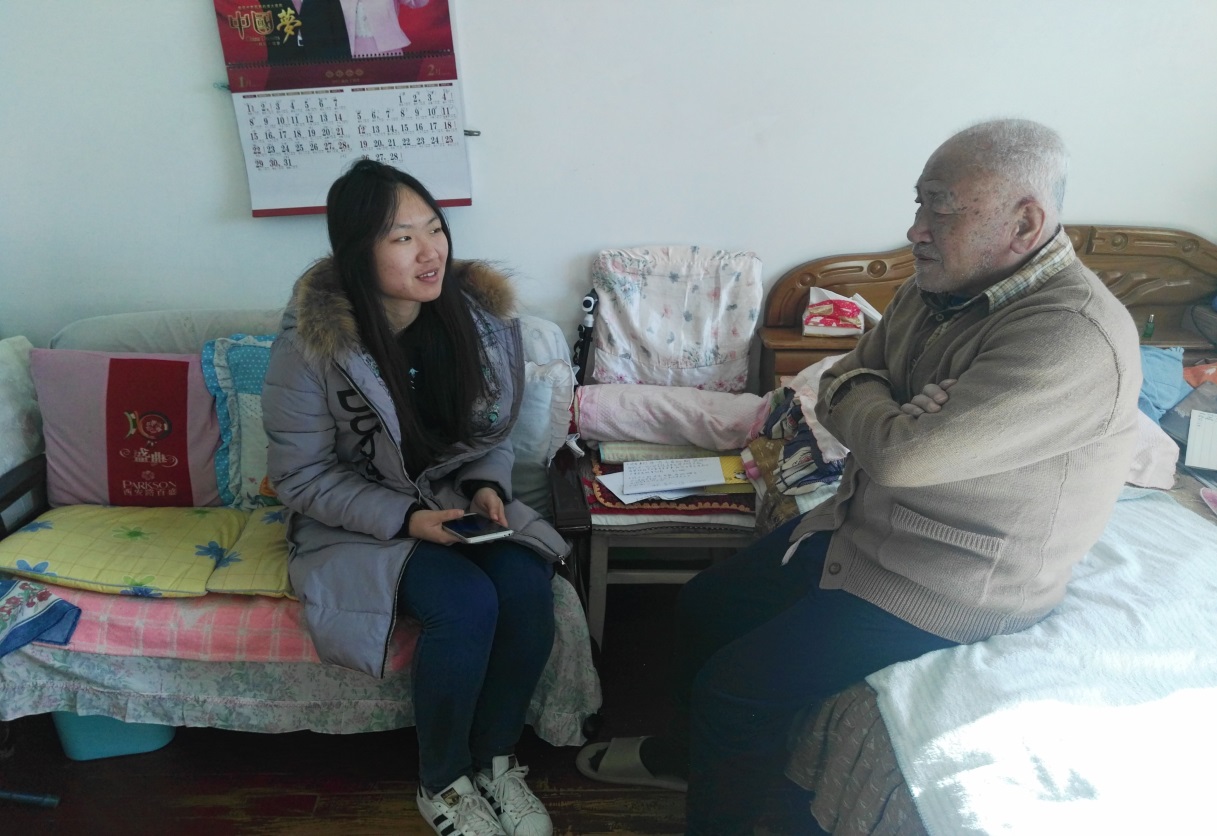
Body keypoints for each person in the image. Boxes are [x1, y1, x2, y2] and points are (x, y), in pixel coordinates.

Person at [575, 118, 1142, 834]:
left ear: (1023, 223)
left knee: (734, 690)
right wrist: (890, 408)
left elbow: (902, 457)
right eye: (919, 203)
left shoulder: (1071, 335)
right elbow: (839, 380)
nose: (915, 230)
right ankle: (691, 758)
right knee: (704, 604)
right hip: (863, 530)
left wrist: (889, 416)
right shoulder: (936, 288)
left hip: (948, 580)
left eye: (940, 208)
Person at [262, 158, 570, 836]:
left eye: (434, 228)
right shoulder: (311, 347)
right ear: (358, 253)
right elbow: (301, 478)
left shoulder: (474, 322)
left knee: (525, 582)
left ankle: (495, 761)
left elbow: (488, 431)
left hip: (451, 502)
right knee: (463, 601)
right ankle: (443, 782)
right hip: (353, 519)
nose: (431, 251)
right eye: (403, 238)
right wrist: (407, 517)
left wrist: (485, 485)